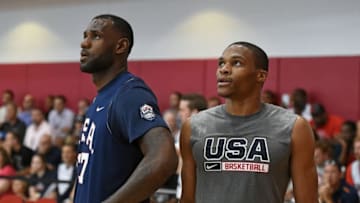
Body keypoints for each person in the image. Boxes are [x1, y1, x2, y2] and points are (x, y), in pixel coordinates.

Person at [180, 41, 318, 203]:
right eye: (221, 63)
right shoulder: (193, 126)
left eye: (236, 63)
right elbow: (187, 198)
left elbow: (307, 200)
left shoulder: (294, 127)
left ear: (261, 75)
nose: (224, 69)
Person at [74, 14, 178, 203]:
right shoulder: (102, 97)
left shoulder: (129, 94)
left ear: (120, 46)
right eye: (85, 35)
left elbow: (164, 158)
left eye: (96, 36)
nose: (84, 43)